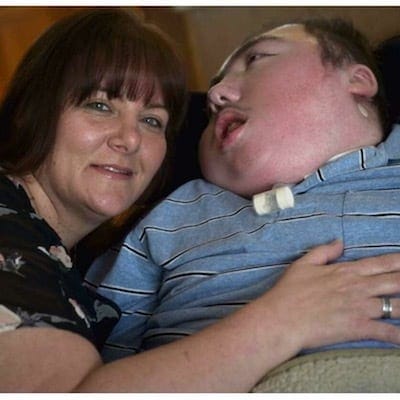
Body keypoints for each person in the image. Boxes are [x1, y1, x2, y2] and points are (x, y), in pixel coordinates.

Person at [1, 9, 400, 393]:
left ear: (357, 80)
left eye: (153, 121)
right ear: (31, 109)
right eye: (100, 105)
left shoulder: (59, 257)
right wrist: (283, 321)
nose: (131, 139)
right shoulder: (173, 218)